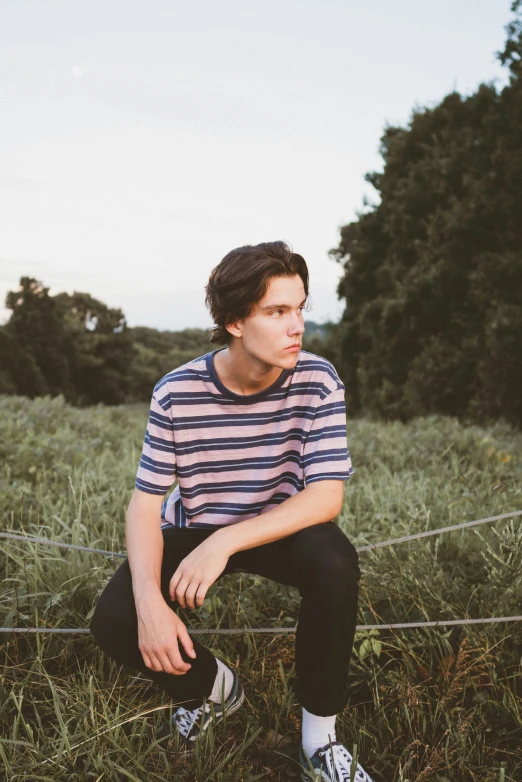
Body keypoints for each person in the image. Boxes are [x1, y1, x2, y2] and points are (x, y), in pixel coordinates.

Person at [90, 241, 374, 781]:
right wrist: (151, 603)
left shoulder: (318, 379)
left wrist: (225, 542)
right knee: (113, 620)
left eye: (300, 308)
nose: (297, 327)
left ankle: (319, 742)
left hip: (276, 528)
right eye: (277, 312)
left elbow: (325, 497)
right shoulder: (177, 392)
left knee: (334, 559)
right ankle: (214, 689)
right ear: (235, 321)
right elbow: (144, 505)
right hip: (194, 524)